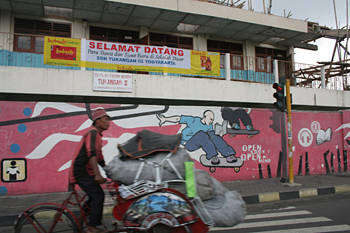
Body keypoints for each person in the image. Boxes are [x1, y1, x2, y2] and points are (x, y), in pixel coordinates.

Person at [70, 108, 110, 233]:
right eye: (106, 119)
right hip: (81, 172)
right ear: (97, 121)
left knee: (93, 197)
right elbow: (91, 154)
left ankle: (80, 220)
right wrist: (98, 175)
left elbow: (99, 157)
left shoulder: (98, 135)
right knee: (98, 196)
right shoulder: (92, 133)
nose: (108, 122)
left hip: (86, 172)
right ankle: (92, 227)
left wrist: (109, 171)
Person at [157, 110, 237, 165]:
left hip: (201, 141)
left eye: (212, 120)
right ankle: (213, 156)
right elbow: (178, 118)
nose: (211, 122)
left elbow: (213, 140)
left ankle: (229, 154)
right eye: (210, 119)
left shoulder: (209, 126)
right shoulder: (193, 120)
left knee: (213, 134)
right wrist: (165, 119)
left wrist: (220, 134)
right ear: (204, 117)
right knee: (201, 134)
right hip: (189, 144)